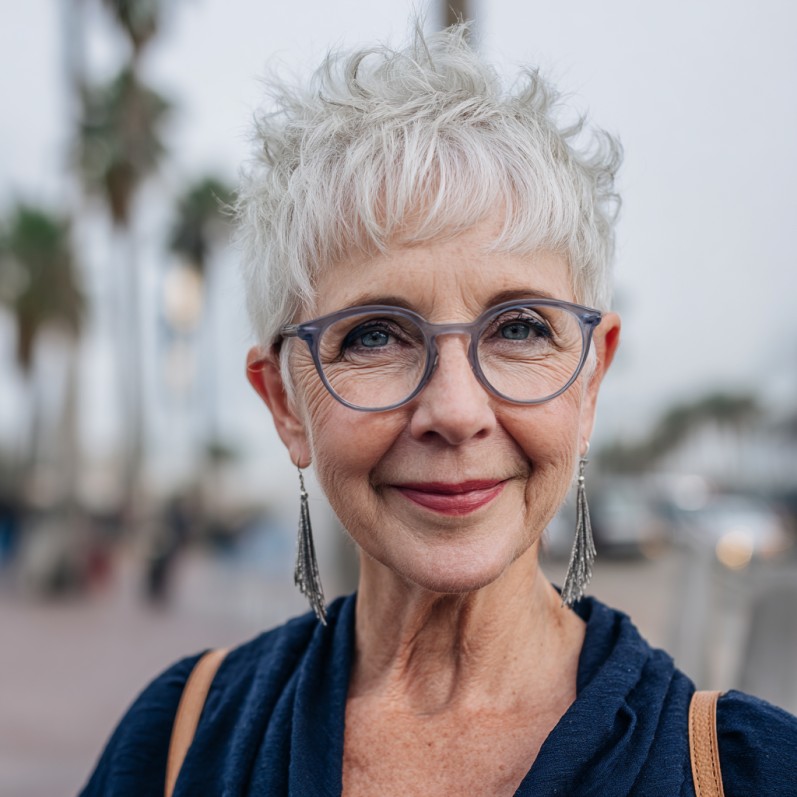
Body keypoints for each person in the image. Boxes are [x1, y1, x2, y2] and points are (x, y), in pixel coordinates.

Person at [79, 24, 797, 796]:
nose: (455, 411)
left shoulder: (751, 770)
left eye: (519, 327)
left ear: (588, 382)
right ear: (284, 401)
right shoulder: (178, 741)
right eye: (375, 335)